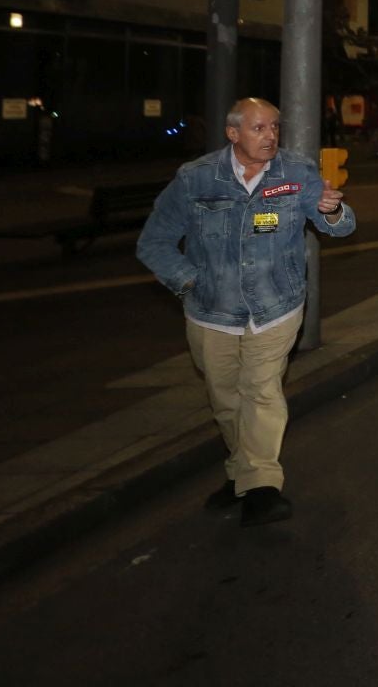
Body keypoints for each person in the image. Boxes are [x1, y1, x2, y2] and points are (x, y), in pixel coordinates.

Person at [136, 98, 356, 527]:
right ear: (233, 133)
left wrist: (334, 211)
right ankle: (242, 472)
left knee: (261, 391)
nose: (270, 136)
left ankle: (260, 486)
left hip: (276, 305)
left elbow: (339, 225)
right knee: (225, 399)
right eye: (259, 128)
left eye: (274, 127)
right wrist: (189, 280)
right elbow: (154, 242)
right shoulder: (195, 178)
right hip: (211, 312)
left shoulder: (295, 172)